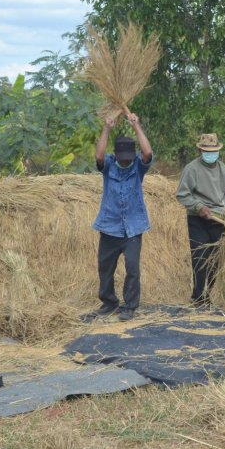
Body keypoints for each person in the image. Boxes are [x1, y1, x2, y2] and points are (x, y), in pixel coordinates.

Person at [88, 112, 153, 322]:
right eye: (122, 160)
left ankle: (130, 306)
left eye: (129, 160)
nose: (125, 163)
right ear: (115, 155)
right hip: (110, 226)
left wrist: (137, 126)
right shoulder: (107, 165)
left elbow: (148, 152)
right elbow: (98, 156)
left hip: (133, 227)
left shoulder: (137, 166)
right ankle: (109, 302)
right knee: (105, 267)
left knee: (132, 267)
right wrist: (106, 128)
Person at [176, 133, 225, 307]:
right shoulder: (191, 169)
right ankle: (198, 296)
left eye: (214, 150)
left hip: (219, 219)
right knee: (200, 258)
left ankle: (211, 293)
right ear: (200, 150)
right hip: (198, 220)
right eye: (206, 150)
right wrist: (198, 207)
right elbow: (182, 194)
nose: (211, 153)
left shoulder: (222, 169)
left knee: (216, 260)